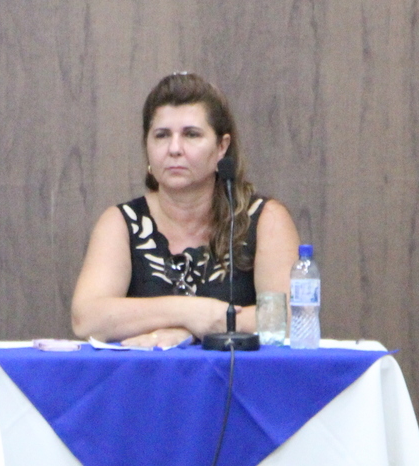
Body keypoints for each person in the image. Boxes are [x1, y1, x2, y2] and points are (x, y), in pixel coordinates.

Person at [71, 72, 300, 347]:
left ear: (221, 147)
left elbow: (290, 317)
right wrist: (191, 313)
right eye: (162, 135)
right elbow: (87, 319)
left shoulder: (265, 219)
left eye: (191, 134)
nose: (174, 148)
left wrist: (192, 333)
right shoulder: (121, 222)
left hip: (238, 375)